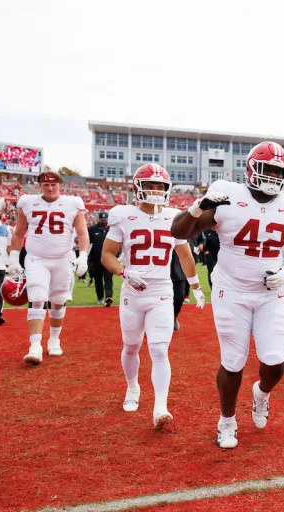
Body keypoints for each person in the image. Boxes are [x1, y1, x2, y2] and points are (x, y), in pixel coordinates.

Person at [171, 141, 284, 450]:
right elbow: (179, 232)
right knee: (233, 361)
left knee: (276, 363)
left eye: (279, 171)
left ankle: (261, 393)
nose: (273, 176)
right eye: (268, 169)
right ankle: (227, 420)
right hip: (230, 290)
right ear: (251, 168)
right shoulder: (228, 195)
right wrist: (197, 206)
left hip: (270, 293)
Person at [101, 163, 205, 428]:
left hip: (161, 291)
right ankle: (133, 387)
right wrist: (124, 272)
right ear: (138, 187)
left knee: (159, 349)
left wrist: (195, 286)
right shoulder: (123, 215)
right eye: (150, 185)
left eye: (160, 186)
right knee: (132, 346)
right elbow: (107, 255)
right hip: (133, 292)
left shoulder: (173, 216)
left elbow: (184, 254)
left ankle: (161, 406)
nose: (155, 190)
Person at [7, 170, 90, 364]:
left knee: (58, 300)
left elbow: (82, 233)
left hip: (63, 259)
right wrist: (13, 257)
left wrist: (83, 256)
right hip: (37, 258)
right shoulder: (28, 202)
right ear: (40, 186)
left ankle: (54, 339)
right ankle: (35, 346)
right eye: (46, 185)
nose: (50, 188)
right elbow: (19, 233)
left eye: (53, 185)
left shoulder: (72, 204)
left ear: (60, 185)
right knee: (37, 298)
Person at [87, 210, 114, 306]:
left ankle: (108, 297)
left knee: (108, 279)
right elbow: (87, 243)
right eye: (102, 220)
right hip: (96, 260)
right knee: (98, 280)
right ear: (99, 219)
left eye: (105, 219)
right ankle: (100, 297)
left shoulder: (112, 229)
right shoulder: (92, 229)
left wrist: (117, 254)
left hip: (109, 259)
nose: (104, 221)